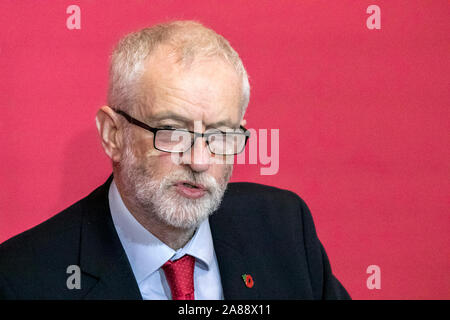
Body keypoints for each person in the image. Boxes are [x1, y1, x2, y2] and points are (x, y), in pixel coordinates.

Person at [0, 21, 350, 300]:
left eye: (219, 135)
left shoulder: (284, 229)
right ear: (113, 134)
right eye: (172, 131)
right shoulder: (22, 278)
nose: (199, 161)